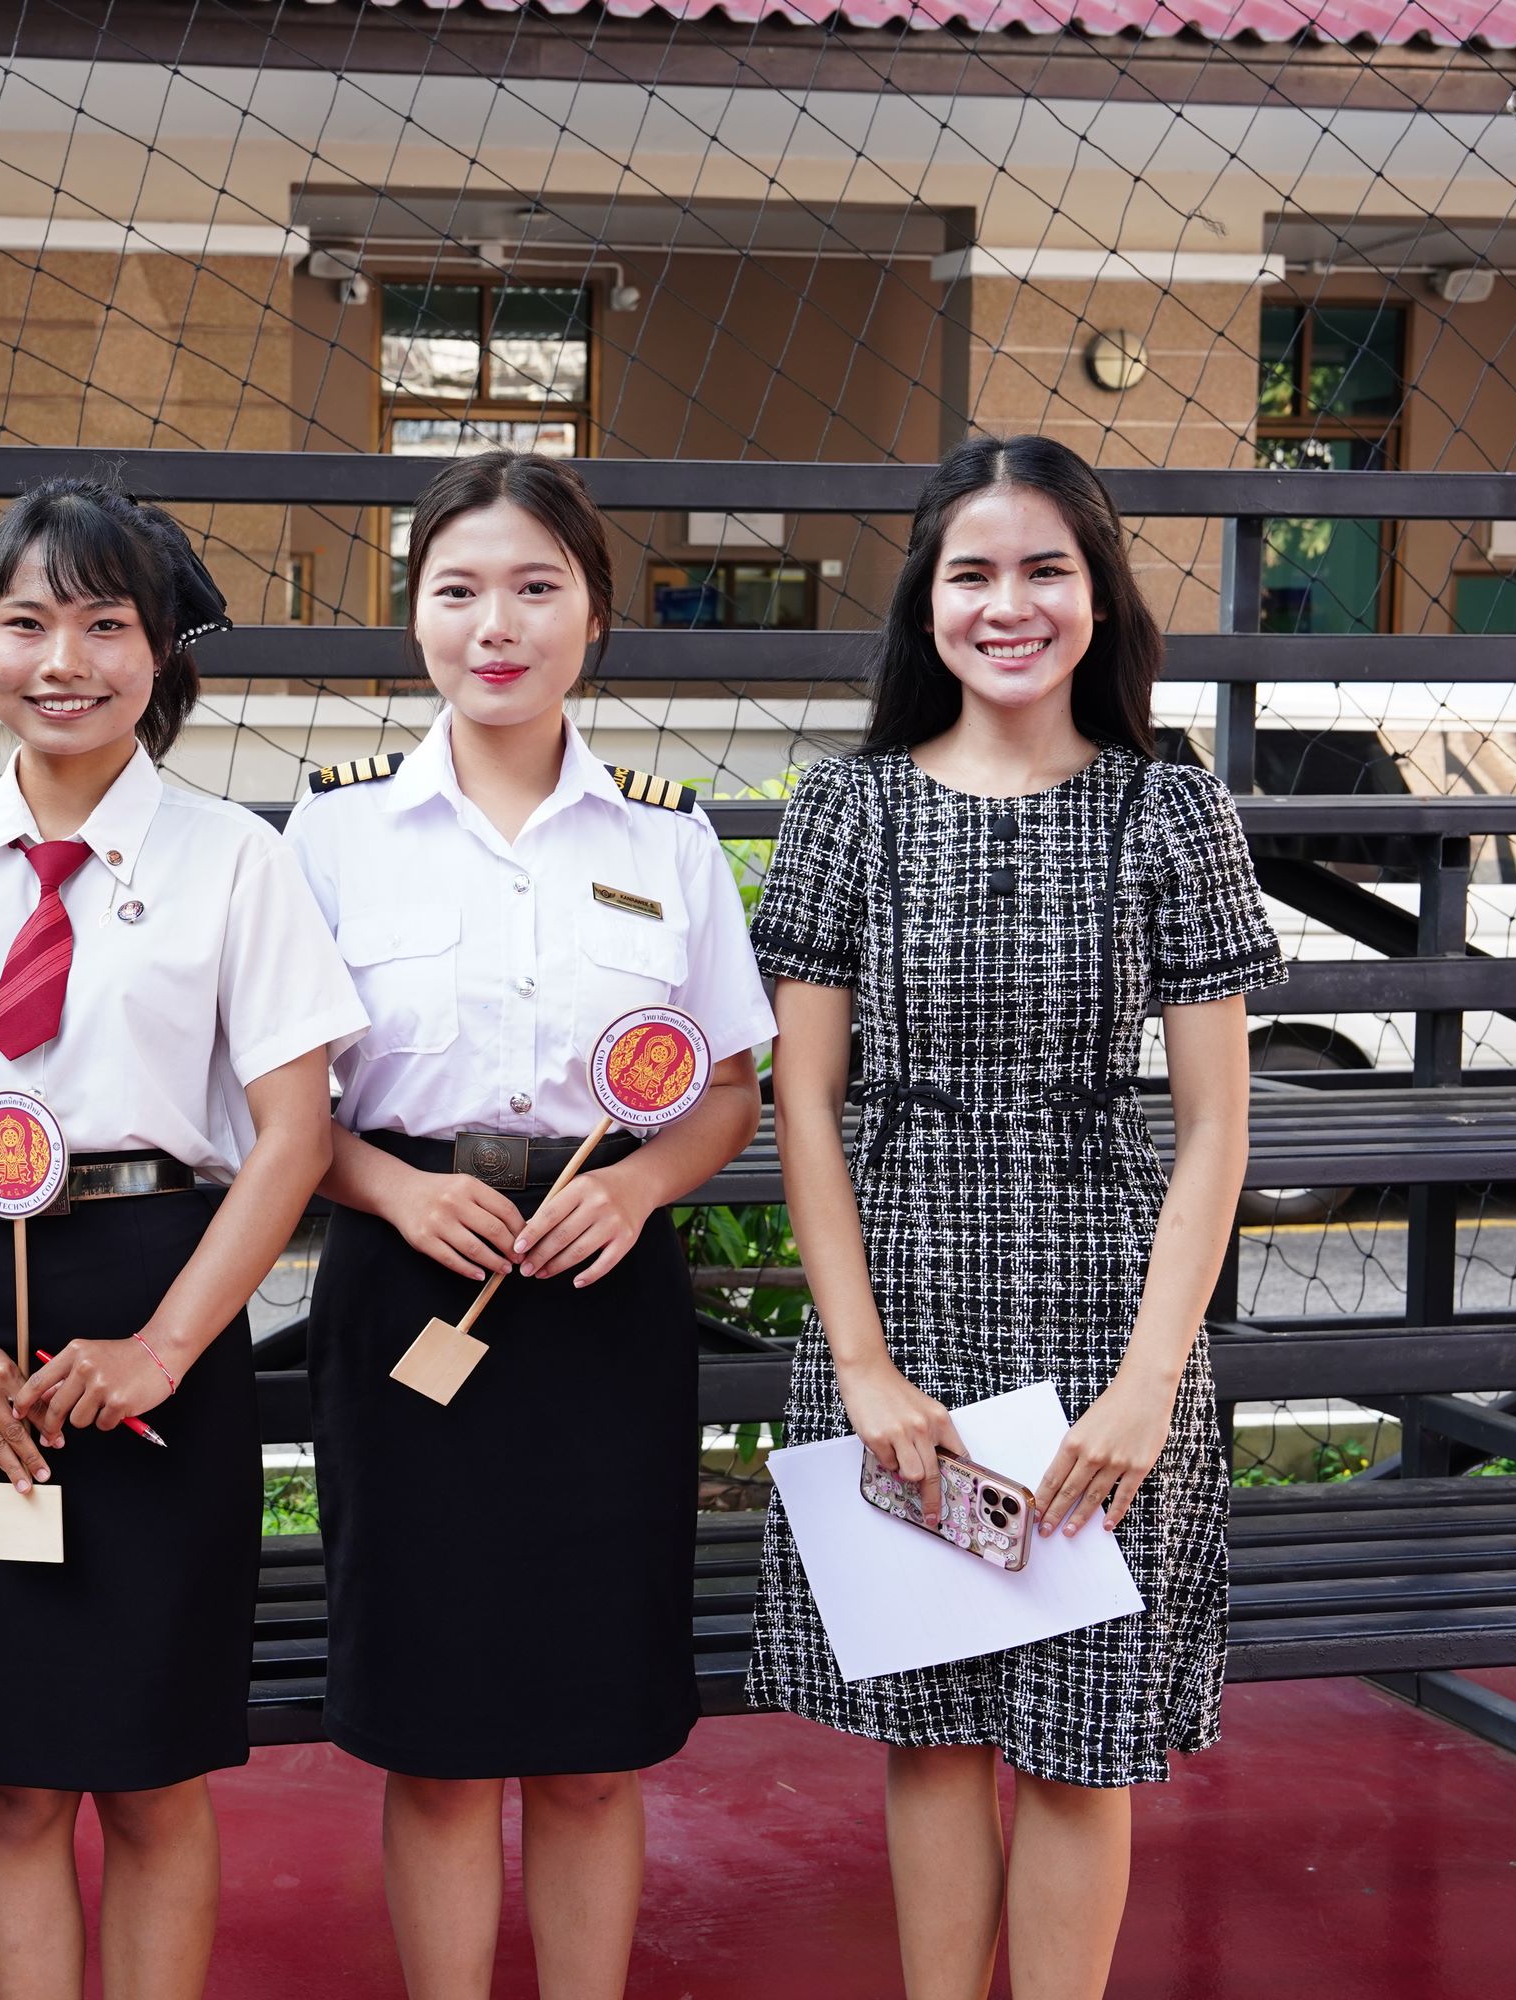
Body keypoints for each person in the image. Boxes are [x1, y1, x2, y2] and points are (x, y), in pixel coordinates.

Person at [0, 478, 366, 2000]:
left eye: (106, 625)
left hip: (160, 1295)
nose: (64, 661)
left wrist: (168, 1350)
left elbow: (295, 1134)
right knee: (7, 1776)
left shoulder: (236, 862)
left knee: (153, 1769)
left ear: (162, 648)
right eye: (25, 622)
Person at [744, 435, 1282, 2000]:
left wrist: (1148, 1386)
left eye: (1046, 569)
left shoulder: (1168, 812)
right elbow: (806, 1103)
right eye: (973, 573)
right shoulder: (845, 809)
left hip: (1110, 1323)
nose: (1009, 605)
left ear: (1098, 596)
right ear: (927, 602)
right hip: (901, 1313)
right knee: (931, 1731)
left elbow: (1216, 1125)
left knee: (1079, 1740)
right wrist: (862, 1368)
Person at [284, 451, 772, 2000]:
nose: (495, 624)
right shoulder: (333, 834)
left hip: (600, 1307)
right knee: (431, 1746)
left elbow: (727, 1091)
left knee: (590, 1743)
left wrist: (638, 1185)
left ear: (595, 614)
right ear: (414, 614)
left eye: (535, 588)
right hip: (405, 1289)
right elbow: (273, 1104)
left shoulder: (662, 840)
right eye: (458, 590)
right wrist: (390, 1185)